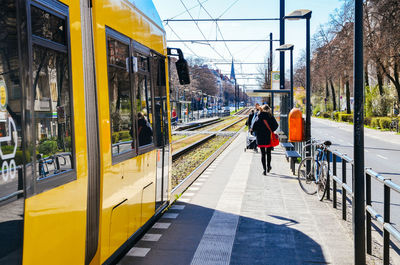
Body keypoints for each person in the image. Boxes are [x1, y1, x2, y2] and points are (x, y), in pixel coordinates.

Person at [253, 104, 278, 175]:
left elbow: (254, 127)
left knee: (263, 154)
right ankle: (268, 166)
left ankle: (264, 170)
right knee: (269, 153)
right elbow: (276, 125)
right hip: (268, 137)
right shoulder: (270, 116)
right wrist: (271, 130)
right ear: (268, 109)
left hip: (260, 138)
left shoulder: (259, 116)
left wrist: (259, 131)